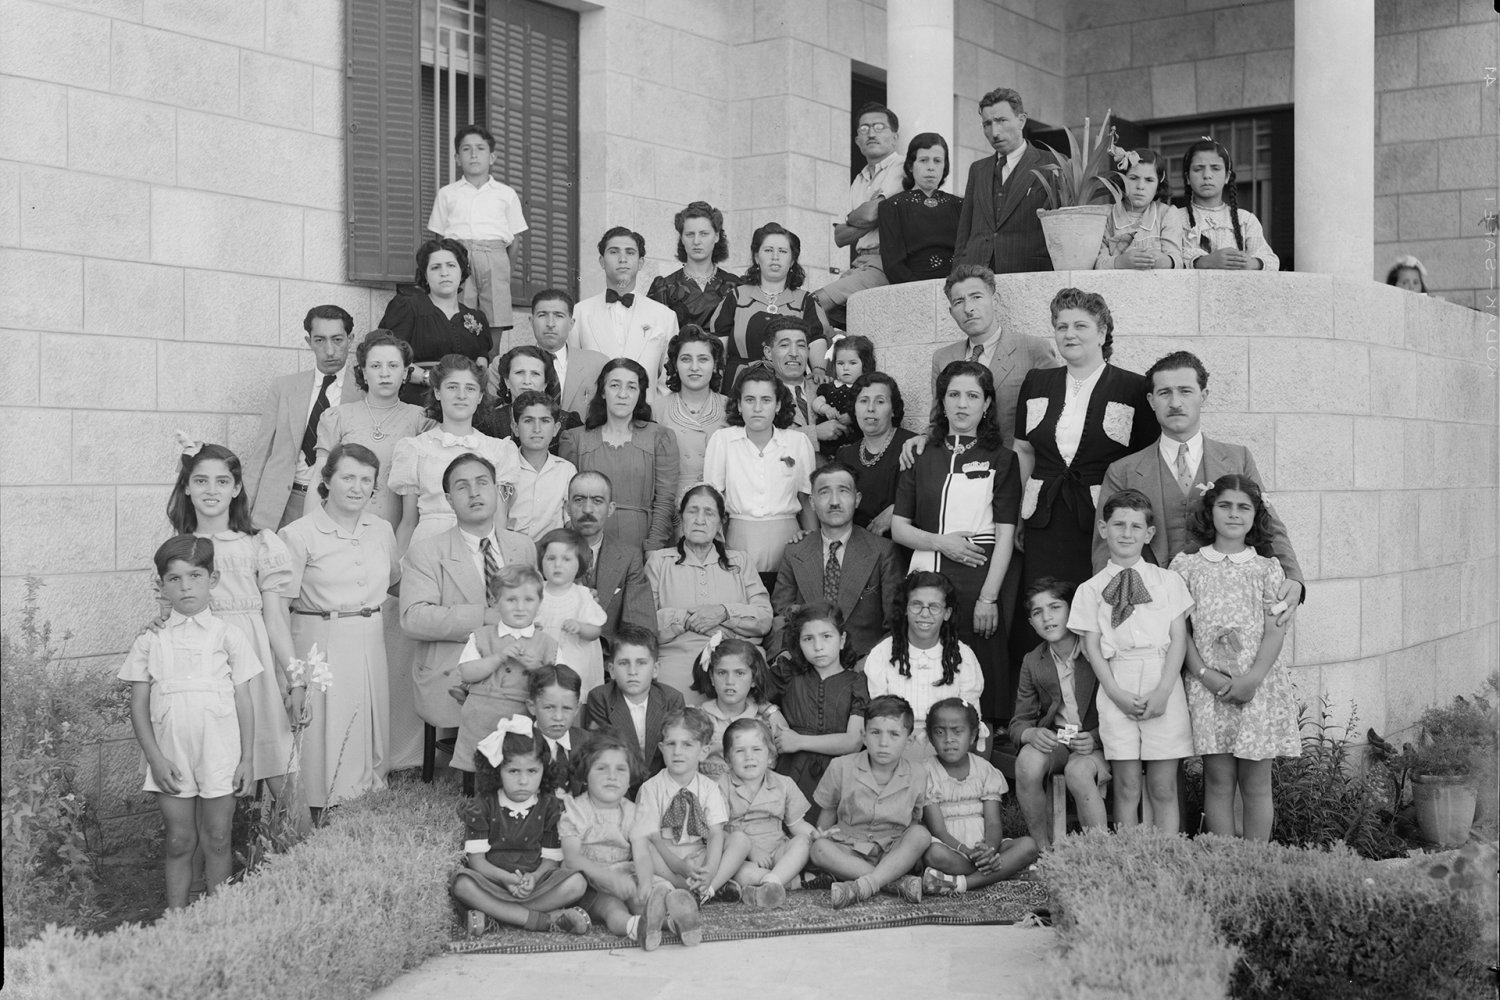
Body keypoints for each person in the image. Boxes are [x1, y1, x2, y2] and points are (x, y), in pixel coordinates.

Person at [1093, 350, 1305, 620]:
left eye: (1185, 391)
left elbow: (1268, 525)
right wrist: (1114, 609)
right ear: (1151, 401)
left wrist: (1294, 578)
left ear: (1203, 396)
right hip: (1149, 608)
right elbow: (1104, 548)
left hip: (1227, 605)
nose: (1175, 402)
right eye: (1165, 393)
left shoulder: (1238, 459)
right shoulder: (1122, 471)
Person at [165, 442, 307, 836]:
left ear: (237, 487)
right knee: (205, 780)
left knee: (281, 774)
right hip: (198, 671)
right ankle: (207, 888)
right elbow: (168, 616)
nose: (212, 489)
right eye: (201, 480)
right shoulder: (180, 549)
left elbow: (276, 619)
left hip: (252, 667)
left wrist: (295, 679)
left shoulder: (258, 543)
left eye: (222, 480)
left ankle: (311, 864)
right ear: (187, 487)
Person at [120, 535, 259, 909]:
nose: (186, 587)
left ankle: (219, 920)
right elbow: (138, 705)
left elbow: (244, 701)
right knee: (180, 840)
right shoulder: (150, 641)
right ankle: (176, 922)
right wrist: (155, 759)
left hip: (221, 754)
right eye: (175, 579)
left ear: (212, 580)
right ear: (161, 585)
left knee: (217, 838)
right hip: (172, 757)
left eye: (195, 576)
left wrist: (247, 759)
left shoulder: (229, 636)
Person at [1171, 475, 1298, 842]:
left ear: (1256, 514)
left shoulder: (1266, 568)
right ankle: (1226, 858)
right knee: (1219, 778)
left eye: (1244, 507)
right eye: (1225, 505)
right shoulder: (1187, 567)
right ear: (1210, 511)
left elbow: (1276, 629)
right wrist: (1203, 673)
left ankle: (1255, 859)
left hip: (1258, 687)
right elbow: (1181, 631)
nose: (1233, 514)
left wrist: (1252, 679)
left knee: (1256, 783)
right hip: (1209, 688)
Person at [893, 361, 1020, 726]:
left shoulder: (1002, 458)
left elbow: (1006, 534)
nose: (962, 404)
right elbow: (900, 528)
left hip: (981, 578)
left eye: (972, 396)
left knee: (981, 672)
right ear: (942, 401)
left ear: (987, 404)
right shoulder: (918, 454)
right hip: (925, 577)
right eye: (953, 395)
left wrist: (989, 597)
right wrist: (940, 543)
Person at [279, 444, 400, 814]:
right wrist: (292, 676)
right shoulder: (298, 534)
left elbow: (395, 583)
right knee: (320, 736)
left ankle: (360, 811)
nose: (357, 487)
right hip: (319, 641)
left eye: (367, 480)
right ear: (327, 480)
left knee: (366, 728)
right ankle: (312, 814)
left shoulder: (381, 530)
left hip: (370, 638)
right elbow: (279, 608)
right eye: (348, 477)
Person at [1013, 288, 1157, 592]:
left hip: (1101, 522)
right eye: (1062, 326)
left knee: (1095, 601)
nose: (1069, 334)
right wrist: (1014, 515)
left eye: (1080, 326)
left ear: (1102, 333)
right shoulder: (1036, 381)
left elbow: (1145, 462)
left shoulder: (1133, 387)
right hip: (1042, 518)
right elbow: (1024, 451)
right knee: (1043, 601)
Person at [399, 452, 537, 760]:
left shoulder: (522, 546)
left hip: (516, 668)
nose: (474, 493)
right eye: (462, 487)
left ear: (497, 490)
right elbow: (413, 618)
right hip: (455, 671)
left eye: (482, 483)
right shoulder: (426, 552)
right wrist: (485, 616)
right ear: (448, 499)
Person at [1069, 489, 1194, 832]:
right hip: (1117, 681)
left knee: (1163, 786)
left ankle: (1165, 859)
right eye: (1119, 524)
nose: (1127, 533)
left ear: (1149, 533)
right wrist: (1116, 693)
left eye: (1136, 526)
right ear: (1103, 528)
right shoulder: (1090, 590)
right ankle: (1128, 862)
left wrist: (1164, 690)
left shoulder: (1167, 581)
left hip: (1161, 679)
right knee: (1126, 785)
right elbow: (1092, 647)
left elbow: (1179, 638)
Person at [451, 716, 590, 937]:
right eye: (513, 771)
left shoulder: (551, 807)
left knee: (577, 883)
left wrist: (534, 878)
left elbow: (551, 861)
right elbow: (477, 862)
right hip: (493, 883)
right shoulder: (483, 805)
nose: (523, 781)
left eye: (532, 771)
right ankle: (544, 919)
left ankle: (496, 916)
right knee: (462, 885)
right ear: (497, 771)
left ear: (544, 769)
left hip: (536, 884)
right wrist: (506, 879)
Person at [1010, 578, 1109, 851]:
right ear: (1031, 622)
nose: (1047, 617)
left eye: (1055, 607)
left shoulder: (1097, 649)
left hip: (1103, 742)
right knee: (1028, 762)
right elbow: (1020, 721)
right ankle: (1044, 851)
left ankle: (1100, 855)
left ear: (1073, 610)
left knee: (1078, 771)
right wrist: (1030, 733)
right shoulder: (1034, 660)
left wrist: (1097, 738)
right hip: (1062, 741)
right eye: (1037, 612)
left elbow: (1121, 708)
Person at [769, 461, 902, 665]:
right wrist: (786, 657)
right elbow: (781, 615)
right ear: (812, 502)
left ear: (857, 499)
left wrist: (872, 664)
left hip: (862, 665)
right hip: (805, 663)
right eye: (824, 492)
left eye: (843, 491)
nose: (834, 501)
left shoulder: (883, 551)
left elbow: (895, 623)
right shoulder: (795, 551)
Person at [646, 485, 773, 696]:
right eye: (692, 511)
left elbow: (764, 619)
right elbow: (644, 623)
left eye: (709, 513)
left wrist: (723, 612)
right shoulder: (660, 561)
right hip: (676, 661)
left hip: (737, 661)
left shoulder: (740, 562)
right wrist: (687, 618)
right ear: (681, 517)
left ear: (721, 522)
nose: (700, 520)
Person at [243, 305, 361, 530]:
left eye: (337, 340)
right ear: (309, 342)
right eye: (320, 340)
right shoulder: (284, 387)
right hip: (282, 503)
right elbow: (262, 453)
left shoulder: (363, 392)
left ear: (350, 339)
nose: (329, 351)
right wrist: (243, 510)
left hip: (334, 504)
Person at [388, 354, 521, 555]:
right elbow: (408, 521)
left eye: (470, 388)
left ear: (480, 397)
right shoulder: (415, 448)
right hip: (428, 546)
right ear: (437, 392)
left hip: (478, 545)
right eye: (452, 387)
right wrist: (397, 571)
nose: (461, 395)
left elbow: (500, 518)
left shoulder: (498, 450)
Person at [809, 695, 931, 908]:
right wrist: (821, 834)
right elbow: (828, 810)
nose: (883, 743)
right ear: (864, 736)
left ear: (909, 740)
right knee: (818, 848)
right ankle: (894, 882)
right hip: (849, 846)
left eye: (894, 734)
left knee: (921, 835)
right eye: (875, 733)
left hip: (891, 850)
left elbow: (914, 819)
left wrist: (905, 852)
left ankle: (867, 884)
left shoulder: (918, 774)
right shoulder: (841, 766)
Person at [703, 362, 817, 589]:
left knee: (785, 607)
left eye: (766, 400)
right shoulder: (723, 440)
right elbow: (713, 501)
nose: (757, 408)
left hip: (788, 540)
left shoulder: (797, 442)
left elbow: (806, 501)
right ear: (738, 404)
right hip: (738, 540)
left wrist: (814, 550)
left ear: (777, 405)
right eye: (749, 400)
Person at [557, 731, 673, 949]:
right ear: (584, 774)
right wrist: (608, 879)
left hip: (625, 878)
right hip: (590, 884)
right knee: (612, 907)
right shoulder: (576, 811)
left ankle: (671, 921)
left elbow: (642, 855)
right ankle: (633, 927)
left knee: (643, 901)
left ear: (631, 776)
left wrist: (645, 883)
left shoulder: (634, 812)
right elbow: (571, 858)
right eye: (601, 768)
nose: (612, 776)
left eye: (621, 769)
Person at [929, 265, 1059, 449]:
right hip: (957, 466)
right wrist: (922, 438)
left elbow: (1054, 418)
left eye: (976, 297)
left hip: (1014, 466)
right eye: (959, 302)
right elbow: (937, 420)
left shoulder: (1034, 350)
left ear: (995, 300)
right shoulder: (942, 358)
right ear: (951, 312)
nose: (968, 308)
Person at [630, 706, 741, 920]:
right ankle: (685, 889)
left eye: (687, 744)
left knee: (739, 840)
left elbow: (716, 833)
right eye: (671, 744)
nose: (677, 752)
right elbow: (651, 837)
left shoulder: (709, 788)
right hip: (665, 858)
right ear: (661, 748)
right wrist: (678, 866)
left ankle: (708, 888)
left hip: (699, 856)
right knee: (644, 845)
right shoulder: (651, 788)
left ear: (704, 752)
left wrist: (709, 868)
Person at [559, 358, 679, 554]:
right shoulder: (575, 439)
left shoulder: (660, 438)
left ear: (640, 394)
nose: (623, 394)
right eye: (615, 385)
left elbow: (665, 500)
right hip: (587, 545)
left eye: (631, 387)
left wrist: (653, 547)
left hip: (642, 545)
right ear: (603, 392)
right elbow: (569, 502)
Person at [315, 330, 432, 527]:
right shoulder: (338, 417)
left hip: (399, 531)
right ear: (363, 372)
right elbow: (318, 481)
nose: (384, 373)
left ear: (405, 373)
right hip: (341, 529)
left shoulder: (422, 420)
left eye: (393, 366)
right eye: (375, 366)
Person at [919, 699, 1037, 895]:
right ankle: (1006, 871)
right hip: (952, 849)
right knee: (933, 854)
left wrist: (989, 851)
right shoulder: (927, 773)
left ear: (973, 735)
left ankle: (963, 883)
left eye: (957, 731)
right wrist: (966, 851)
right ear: (931, 738)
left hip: (986, 846)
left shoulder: (984, 770)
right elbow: (938, 830)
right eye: (940, 732)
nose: (949, 739)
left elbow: (993, 823)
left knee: (1028, 845)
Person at [451, 564, 558, 777]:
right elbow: (466, 673)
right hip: (482, 714)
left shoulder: (547, 644)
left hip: (524, 715)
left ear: (540, 603)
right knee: (478, 761)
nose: (520, 607)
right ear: (494, 602)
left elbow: (557, 684)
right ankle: (476, 795)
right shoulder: (481, 636)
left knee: (518, 761)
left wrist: (537, 668)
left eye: (528, 600)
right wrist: (498, 657)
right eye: (511, 600)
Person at [861, 571, 986, 755]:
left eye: (934, 607)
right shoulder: (882, 653)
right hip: (895, 748)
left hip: (946, 749)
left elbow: (969, 718)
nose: (924, 613)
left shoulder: (963, 656)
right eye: (916, 605)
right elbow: (879, 715)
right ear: (905, 608)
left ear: (947, 613)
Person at [765, 603, 869, 813]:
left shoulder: (857, 683)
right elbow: (751, 690)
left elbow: (853, 741)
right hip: (791, 772)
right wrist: (771, 711)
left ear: (842, 640)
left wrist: (799, 741)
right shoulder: (788, 675)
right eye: (808, 639)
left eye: (826, 637)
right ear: (799, 644)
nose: (818, 646)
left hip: (840, 775)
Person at [427, 124, 528, 335]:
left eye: (480, 149)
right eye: (466, 149)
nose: (474, 155)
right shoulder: (447, 194)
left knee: (494, 317)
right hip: (459, 257)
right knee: (458, 315)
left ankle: (491, 363)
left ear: (492, 157)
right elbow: (439, 237)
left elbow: (516, 239)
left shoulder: (506, 194)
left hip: (495, 257)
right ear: (457, 158)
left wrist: (504, 272)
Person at [709, 718, 816, 909]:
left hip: (777, 850)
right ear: (727, 759)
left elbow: (797, 825)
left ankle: (771, 881)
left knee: (802, 843)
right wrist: (751, 851)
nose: (749, 756)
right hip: (743, 856)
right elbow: (717, 833)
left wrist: (817, 836)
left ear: (770, 756)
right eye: (740, 751)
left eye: (757, 749)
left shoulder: (784, 783)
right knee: (740, 872)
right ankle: (788, 881)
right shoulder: (721, 786)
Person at [813, 102, 906, 318]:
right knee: (827, 316)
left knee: (816, 303)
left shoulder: (902, 167)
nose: (871, 133)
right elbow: (840, 236)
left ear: (894, 136)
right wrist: (866, 214)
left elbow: (871, 213)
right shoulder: (860, 178)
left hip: (885, 262)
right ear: (857, 141)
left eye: (879, 127)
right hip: (860, 263)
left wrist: (857, 217)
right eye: (864, 129)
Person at [711, 222, 829, 389]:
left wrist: (818, 369)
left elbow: (817, 339)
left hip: (788, 385)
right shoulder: (736, 296)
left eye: (782, 251)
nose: (775, 257)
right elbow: (719, 343)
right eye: (768, 250)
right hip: (738, 384)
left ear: (792, 260)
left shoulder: (806, 300)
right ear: (756, 257)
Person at [378, 238, 495, 404]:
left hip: (464, 402)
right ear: (425, 275)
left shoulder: (476, 317)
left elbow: (482, 362)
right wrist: (429, 379)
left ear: (462, 271)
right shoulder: (407, 307)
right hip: (418, 399)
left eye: (451, 265)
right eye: (435, 267)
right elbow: (389, 354)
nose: (444, 273)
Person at [952, 87, 1052, 273]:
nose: (994, 132)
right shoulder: (977, 169)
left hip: (1029, 273)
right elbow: (964, 232)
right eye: (987, 124)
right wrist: (957, 273)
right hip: (977, 277)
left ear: (1021, 120)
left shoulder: (1052, 164)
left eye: (1001, 121)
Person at [569, 227, 679, 389]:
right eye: (614, 252)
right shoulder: (580, 312)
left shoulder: (665, 316)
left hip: (647, 412)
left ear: (640, 263)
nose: (622, 259)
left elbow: (668, 381)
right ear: (601, 261)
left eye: (630, 252)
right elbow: (573, 375)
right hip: (594, 412)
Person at [582, 624, 686, 788]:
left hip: (663, 788)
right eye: (624, 663)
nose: (632, 671)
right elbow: (603, 753)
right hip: (617, 787)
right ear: (611, 670)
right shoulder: (600, 698)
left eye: (641, 663)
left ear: (655, 669)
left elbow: (676, 753)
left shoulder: (672, 699)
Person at [564, 471, 657, 640]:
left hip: (608, 661)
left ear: (611, 508)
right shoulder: (544, 552)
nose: (587, 509)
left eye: (597, 501)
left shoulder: (628, 557)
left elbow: (640, 627)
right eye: (579, 500)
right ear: (566, 507)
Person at [651, 326, 730, 508]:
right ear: (675, 365)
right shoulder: (656, 411)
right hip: (673, 509)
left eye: (703, 359)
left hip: (722, 508)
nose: (694, 367)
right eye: (686, 359)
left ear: (716, 364)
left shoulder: (732, 409)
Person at [1174, 138, 1279, 271]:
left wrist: (1250, 263)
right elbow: (1170, 259)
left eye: (1215, 168)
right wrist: (1203, 262)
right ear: (1188, 177)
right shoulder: (1174, 218)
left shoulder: (1245, 220)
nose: (1207, 175)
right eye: (1198, 169)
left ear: (1227, 176)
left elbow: (1271, 261)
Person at [834, 373, 916, 538]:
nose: (870, 408)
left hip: (906, 548)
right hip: (860, 550)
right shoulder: (845, 455)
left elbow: (932, 498)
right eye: (863, 401)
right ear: (854, 408)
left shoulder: (912, 446)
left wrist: (898, 510)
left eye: (880, 401)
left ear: (893, 410)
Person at [878, 132, 963, 283]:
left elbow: (968, 253)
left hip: (957, 287)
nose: (931, 167)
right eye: (923, 160)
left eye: (937, 161)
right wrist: (920, 293)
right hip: (912, 289)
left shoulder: (961, 206)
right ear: (911, 165)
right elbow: (893, 264)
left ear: (945, 166)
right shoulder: (892, 206)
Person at [534, 527, 608, 695]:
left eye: (566, 559)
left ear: (580, 563)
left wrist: (581, 628)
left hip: (576, 663)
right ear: (541, 561)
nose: (557, 564)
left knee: (573, 699)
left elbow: (596, 630)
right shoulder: (535, 593)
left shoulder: (582, 595)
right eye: (551, 558)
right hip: (541, 663)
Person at [647, 201, 741, 330]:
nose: (696, 241)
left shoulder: (735, 285)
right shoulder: (665, 288)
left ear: (716, 237)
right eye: (690, 234)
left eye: (704, 233)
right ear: (681, 238)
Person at [690, 636, 774, 778]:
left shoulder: (762, 724)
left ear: (754, 679)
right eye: (721, 673)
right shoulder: (695, 719)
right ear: (711, 677)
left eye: (739, 673)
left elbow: (769, 770)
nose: (730, 681)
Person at [763, 316, 844, 449]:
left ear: (808, 351)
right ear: (768, 353)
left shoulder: (827, 386)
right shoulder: (759, 394)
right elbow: (758, 439)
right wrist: (814, 433)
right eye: (784, 345)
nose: (794, 353)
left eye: (800, 345)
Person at [1096, 148, 1181, 270]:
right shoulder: (1105, 216)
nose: (1140, 186)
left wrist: (1162, 260)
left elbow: (1177, 261)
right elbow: (1097, 263)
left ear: (1159, 184)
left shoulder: (1166, 214)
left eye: (1149, 180)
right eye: (1133, 178)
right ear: (1121, 178)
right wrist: (1119, 262)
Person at [507, 391, 576, 541]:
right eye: (528, 421)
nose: (537, 429)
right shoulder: (504, 467)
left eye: (545, 421)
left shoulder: (566, 470)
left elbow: (570, 521)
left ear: (556, 428)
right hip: (511, 553)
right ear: (515, 427)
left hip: (551, 553)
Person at [528, 289, 606, 420]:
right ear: (531, 321)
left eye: (559, 315)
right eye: (542, 315)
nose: (550, 324)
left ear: (571, 323)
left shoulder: (598, 364)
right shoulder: (507, 363)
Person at [487, 345, 581, 445]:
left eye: (535, 374)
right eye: (519, 372)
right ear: (507, 381)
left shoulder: (568, 423)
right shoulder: (490, 422)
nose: (527, 381)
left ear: (545, 383)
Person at [528, 663, 587, 792]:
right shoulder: (518, 745)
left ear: (577, 708)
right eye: (549, 707)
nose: (558, 717)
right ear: (532, 706)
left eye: (567, 708)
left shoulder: (589, 744)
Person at [810, 334, 871, 459]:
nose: (845, 368)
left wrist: (852, 417)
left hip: (854, 442)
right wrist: (825, 408)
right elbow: (816, 402)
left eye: (853, 363)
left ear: (864, 366)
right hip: (827, 442)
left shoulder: (865, 389)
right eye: (840, 363)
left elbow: (869, 410)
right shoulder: (830, 387)